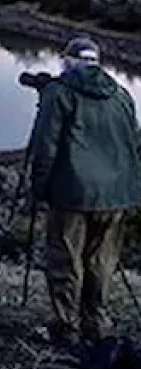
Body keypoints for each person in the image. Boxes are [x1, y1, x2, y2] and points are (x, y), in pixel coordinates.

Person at [29, 37, 141, 347]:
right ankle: (98, 324)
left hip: (73, 193)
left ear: (68, 61)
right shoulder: (121, 94)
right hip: (117, 194)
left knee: (66, 260)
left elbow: (45, 148)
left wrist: (39, 190)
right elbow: (132, 143)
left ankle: (67, 329)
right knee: (101, 261)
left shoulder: (59, 94)